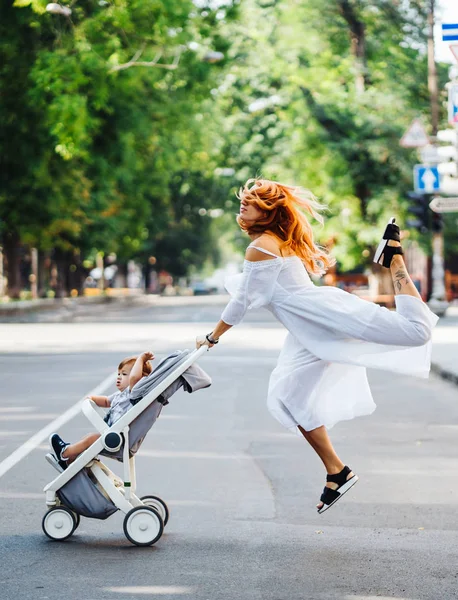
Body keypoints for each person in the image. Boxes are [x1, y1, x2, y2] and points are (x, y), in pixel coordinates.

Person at [196, 178, 438, 514]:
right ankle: (337, 472)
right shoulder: (271, 241)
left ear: (267, 210)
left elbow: (241, 302)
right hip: (308, 330)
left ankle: (395, 259)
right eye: (244, 200)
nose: (243, 204)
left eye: (251, 200)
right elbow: (251, 297)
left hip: (325, 316)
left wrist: (212, 336)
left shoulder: (262, 246)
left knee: (416, 332)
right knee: (288, 397)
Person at [49, 352, 154, 469]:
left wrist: (141, 359)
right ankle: (69, 462)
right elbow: (106, 401)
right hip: (113, 437)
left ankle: (65, 453)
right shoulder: (121, 395)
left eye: (124, 374)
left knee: (91, 439)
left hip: (119, 442)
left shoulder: (134, 394)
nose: (119, 376)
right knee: (88, 437)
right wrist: (92, 398)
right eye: (118, 373)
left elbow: (135, 378)